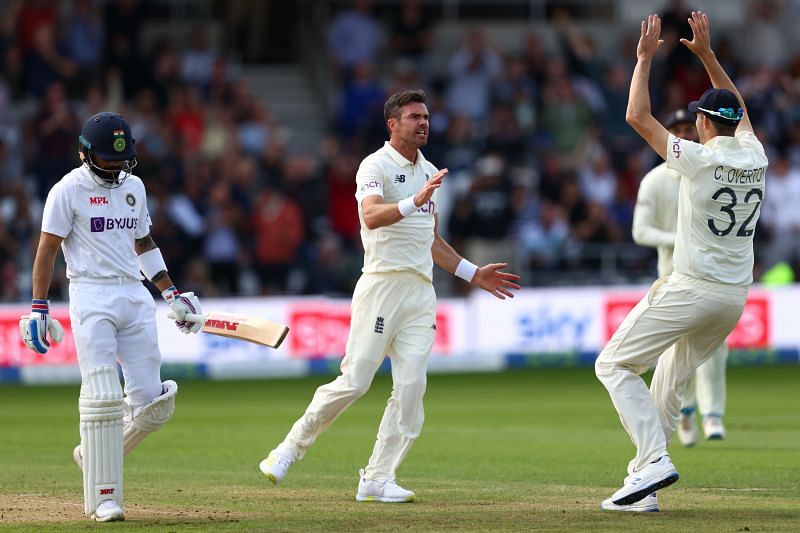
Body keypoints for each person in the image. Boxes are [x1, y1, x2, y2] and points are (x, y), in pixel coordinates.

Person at [259, 89, 520, 502]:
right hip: (382, 286)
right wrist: (413, 201)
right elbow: (371, 215)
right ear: (392, 124)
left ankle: (378, 477)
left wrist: (473, 274)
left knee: (412, 387)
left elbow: (431, 239)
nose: (424, 123)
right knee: (355, 381)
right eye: (415, 116)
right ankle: (289, 448)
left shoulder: (430, 170)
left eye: (427, 117)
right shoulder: (374, 165)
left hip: (420, 293)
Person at [595, 12, 767, 512]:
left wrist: (645, 58)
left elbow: (636, 117)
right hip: (733, 298)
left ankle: (652, 461)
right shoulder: (754, 155)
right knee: (669, 383)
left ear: (705, 123)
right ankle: (642, 487)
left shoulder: (697, 158)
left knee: (614, 364)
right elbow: (742, 112)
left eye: (699, 116)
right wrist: (709, 57)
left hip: (691, 287)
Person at [18, 112, 204, 522]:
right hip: (91, 294)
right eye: (107, 159)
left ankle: (94, 454)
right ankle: (104, 499)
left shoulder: (134, 186)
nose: (117, 166)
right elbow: (46, 250)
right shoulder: (67, 190)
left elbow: (144, 242)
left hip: (133, 295)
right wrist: (38, 305)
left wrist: (170, 292)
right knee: (102, 394)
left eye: (122, 159)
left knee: (153, 405)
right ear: (85, 154)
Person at [632, 109, 730, 448]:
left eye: (691, 128)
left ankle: (713, 413)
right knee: (675, 353)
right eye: (678, 130)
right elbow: (640, 231)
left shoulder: (712, 171)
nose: (686, 135)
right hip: (674, 276)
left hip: (712, 275)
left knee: (715, 350)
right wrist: (679, 239)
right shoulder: (655, 180)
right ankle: (685, 412)